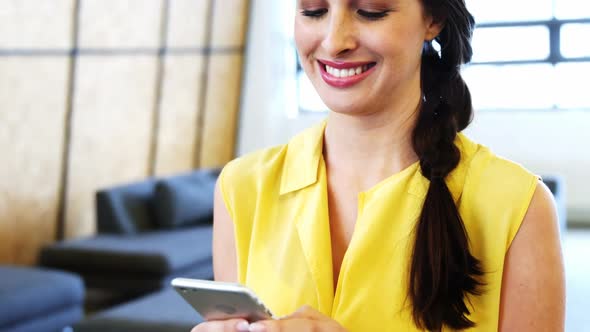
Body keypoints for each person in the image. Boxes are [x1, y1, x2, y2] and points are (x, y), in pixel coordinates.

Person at [193, 0, 565, 331]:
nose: (335, 40)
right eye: (313, 11)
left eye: (370, 11)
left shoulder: (519, 207)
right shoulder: (241, 187)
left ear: (432, 19)